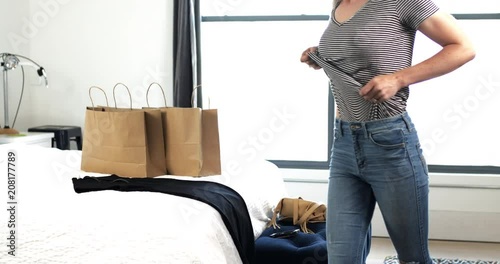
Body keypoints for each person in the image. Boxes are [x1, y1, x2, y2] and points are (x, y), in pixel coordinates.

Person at [300, 0, 475, 263]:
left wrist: (398, 79)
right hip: (345, 144)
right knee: (340, 259)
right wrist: (322, 56)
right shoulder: (339, 3)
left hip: (391, 144)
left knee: (412, 258)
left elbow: (463, 47)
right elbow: (364, 53)